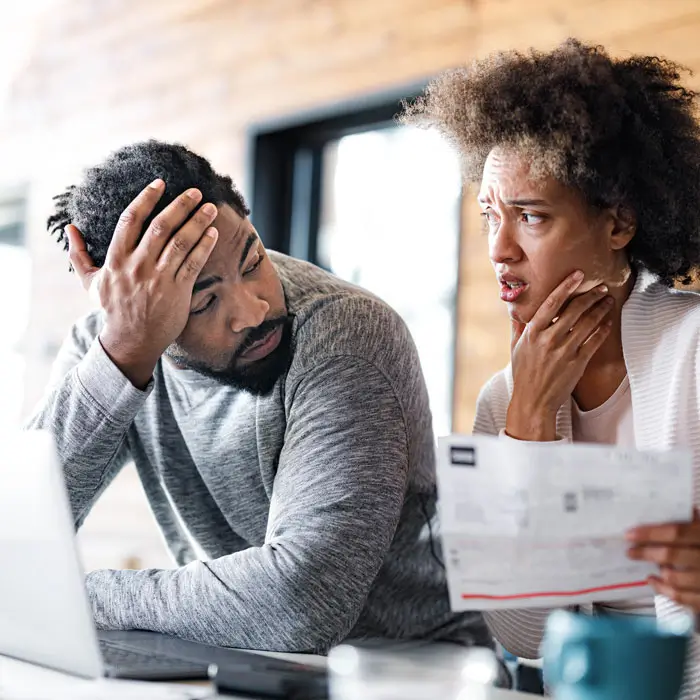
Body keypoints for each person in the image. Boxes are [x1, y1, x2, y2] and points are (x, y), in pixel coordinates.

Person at [29, 140, 490, 654]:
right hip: (245, 661)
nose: (252, 311)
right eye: (202, 300)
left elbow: (302, 602)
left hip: (411, 672)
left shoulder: (346, 337)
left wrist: (80, 596)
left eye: (252, 261)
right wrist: (122, 356)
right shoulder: (110, 347)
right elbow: (15, 537)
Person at [403, 38, 700, 694]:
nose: (499, 249)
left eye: (530, 216)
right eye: (489, 216)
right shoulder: (505, 399)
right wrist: (529, 422)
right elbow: (525, 635)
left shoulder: (694, 351)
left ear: (619, 223)